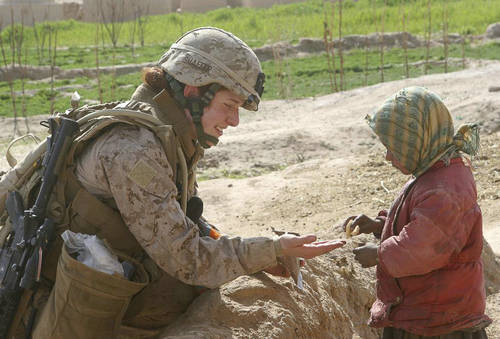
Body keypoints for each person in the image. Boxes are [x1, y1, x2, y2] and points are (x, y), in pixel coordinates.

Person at [7, 27, 344, 338]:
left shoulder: (165, 136)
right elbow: (186, 258)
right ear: (193, 90)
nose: (235, 121)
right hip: (62, 308)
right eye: (229, 105)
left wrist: (260, 255)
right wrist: (268, 249)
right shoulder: (133, 150)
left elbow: (185, 225)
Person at [342, 86, 491, 338]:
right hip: (423, 311)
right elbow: (425, 225)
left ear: (417, 141)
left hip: (440, 321)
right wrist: (382, 225)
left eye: (394, 148)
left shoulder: (445, 188)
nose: (388, 156)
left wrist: (380, 255)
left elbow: (424, 248)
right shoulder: (432, 172)